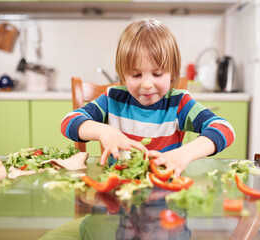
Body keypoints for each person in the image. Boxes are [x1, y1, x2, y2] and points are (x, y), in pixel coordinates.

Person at [61, 18, 235, 177]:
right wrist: (105, 132)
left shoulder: (179, 103)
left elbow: (225, 129)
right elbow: (68, 121)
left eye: (157, 74)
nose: (147, 84)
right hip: (118, 197)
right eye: (136, 75)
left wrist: (184, 155)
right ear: (123, 74)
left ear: (172, 73)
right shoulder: (112, 99)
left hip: (166, 196)